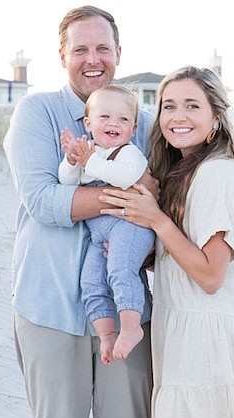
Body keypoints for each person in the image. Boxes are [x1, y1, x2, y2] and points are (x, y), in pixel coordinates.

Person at [3, 6, 157, 418]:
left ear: (119, 53)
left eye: (103, 48)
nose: (93, 60)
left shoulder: (145, 123)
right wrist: (128, 193)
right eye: (81, 49)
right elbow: (43, 201)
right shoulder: (36, 113)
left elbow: (163, 203)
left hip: (128, 312)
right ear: (63, 55)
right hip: (49, 305)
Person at [99, 66, 234, 417]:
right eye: (169, 106)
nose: (178, 116)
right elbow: (187, 253)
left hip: (209, 351)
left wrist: (156, 220)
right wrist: (144, 253)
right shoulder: (189, 172)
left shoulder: (216, 173)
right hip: (187, 341)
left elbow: (211, 276)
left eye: (192, 106)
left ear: (216, 118)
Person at [58, 85, 155, 365]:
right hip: (99, 233)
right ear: (88, 123)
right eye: (105, 117)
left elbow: (124, 178)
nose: (114, 123)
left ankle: (131, 327)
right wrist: (72, 160)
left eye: (123, 119)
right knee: (90, 281)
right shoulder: (91, 153)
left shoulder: (128, 154)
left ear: (133, 128)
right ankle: (107, 333)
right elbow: (67, 183)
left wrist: (90, 162)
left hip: (129, 226)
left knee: (120, 271)